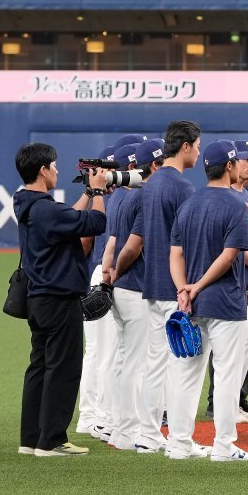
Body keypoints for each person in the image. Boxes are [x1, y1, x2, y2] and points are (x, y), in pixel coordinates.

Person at [13, 142, 108, 457]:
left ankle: (31, 439)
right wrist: (97, 193)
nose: (56, 170)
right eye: (53, 166)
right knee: (63, 368)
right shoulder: (46, 209)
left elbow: (66, 216)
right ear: (42, 170)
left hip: (38, 298)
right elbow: (96, 223)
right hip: (59, 297)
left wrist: (85, 195)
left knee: (39, 366)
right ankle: (52, 440)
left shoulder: (28, 203)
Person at [166, 141, 248, 462]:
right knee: (227, 374)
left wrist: (183, 290)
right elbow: (230, 254)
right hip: (224, 301)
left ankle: (178, 444)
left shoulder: (189, 203)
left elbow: (175, 252)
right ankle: (223, 446)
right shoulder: (235, 203)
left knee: (187, 373)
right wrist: (198, 286)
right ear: (230, 167)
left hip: (192, 305)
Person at [140, 121, 200, 452]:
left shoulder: (150, 183)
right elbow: (188, 244)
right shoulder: (182, 188)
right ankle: (181, 440)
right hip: (175, 287)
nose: (199, 150)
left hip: (152, 284)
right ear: (187, 146)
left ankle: (148, 435)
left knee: (154, 364)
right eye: (198, 144)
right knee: (182, 366)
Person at [104, 138, 165, 452]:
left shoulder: (122, 196)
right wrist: (116, 272)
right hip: (135, 286)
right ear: (153, 165)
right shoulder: (143, 196)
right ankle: (129, 432)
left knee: (124, 359)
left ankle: (118, 428)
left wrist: (108, 274)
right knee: (137, 364)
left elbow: (113, 243)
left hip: (123, 287)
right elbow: (131, 246)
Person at [206, 138, 248, 422]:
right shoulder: (229, 198)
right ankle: (217, 402)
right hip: (234, 280)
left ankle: (238, 399)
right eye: (247, 161)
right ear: (231, 164)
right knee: (228, 344)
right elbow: (235, 247)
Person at [75, 143, 121, 445]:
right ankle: (99, 417)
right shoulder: (105, 199)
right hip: (103, 277)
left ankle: (90, 415)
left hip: (98, 275)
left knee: (98, 352)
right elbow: (85, 242)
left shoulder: (106, 198)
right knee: (105, 352)